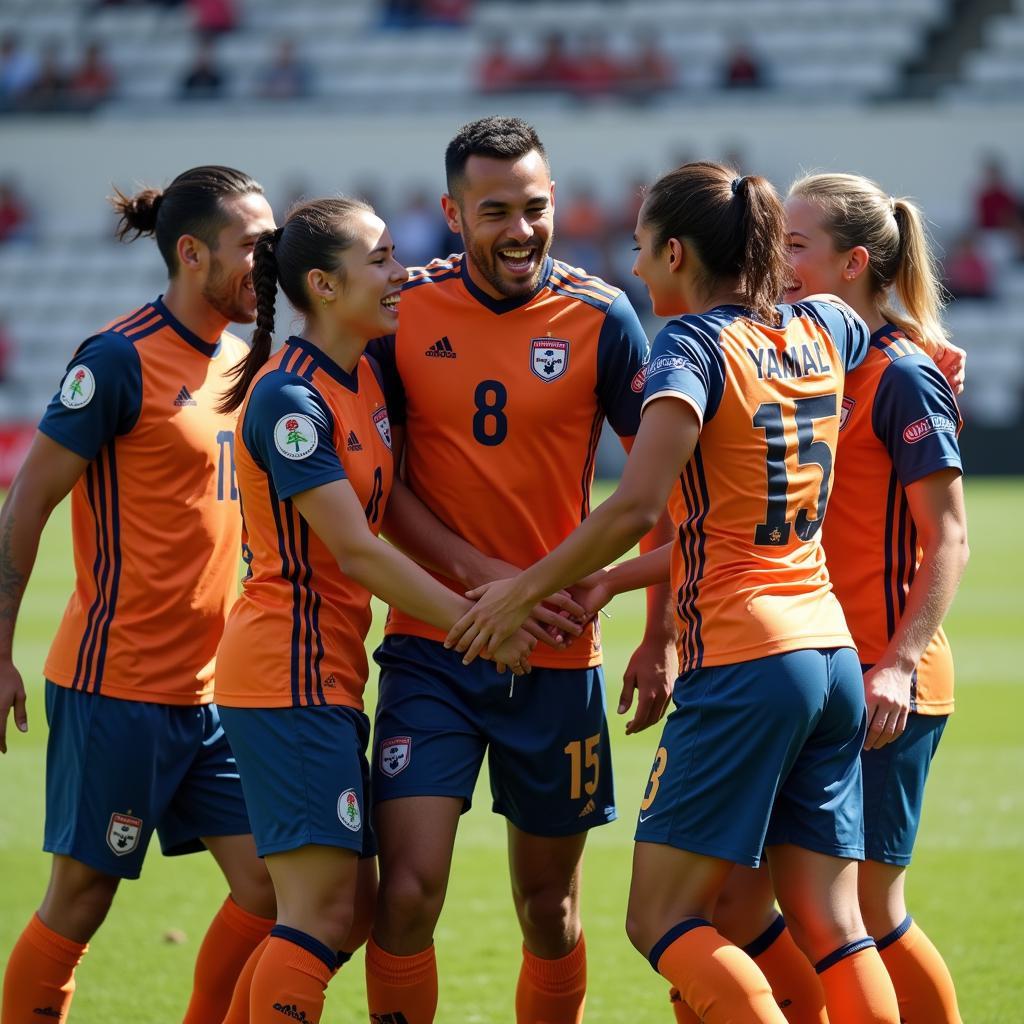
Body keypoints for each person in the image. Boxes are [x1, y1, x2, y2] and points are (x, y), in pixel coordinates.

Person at [446, 161, 907, 1024]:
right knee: (834, 922)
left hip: (744, 659)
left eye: (639, 250)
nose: (634, 270)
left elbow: (638, 505)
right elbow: (876, 326)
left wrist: (525, 591)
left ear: (675, 251)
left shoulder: (690, 347)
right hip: (830, 654)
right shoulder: (827, 324)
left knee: (658, 917)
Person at [364, 115, 674, 1024]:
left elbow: (673, 494)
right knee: (408, 895)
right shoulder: (402, 310)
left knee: (551, 911)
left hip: (556, 658)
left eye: (534, 207)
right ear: (455, 216)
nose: (521, 230)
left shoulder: (603, 315)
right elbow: (378, 486)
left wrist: (655, 640)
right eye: (495, 210)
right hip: (433, 644)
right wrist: (480, 580)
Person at [210, 196, 538, 1024]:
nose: (403, 274)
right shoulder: (291, 399)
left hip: (325, 675)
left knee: (347, 911)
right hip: (284, 677)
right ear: (323, 284)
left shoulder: (358, 376)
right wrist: (480, 626)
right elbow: (357, 550)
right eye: (384, 261)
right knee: (319, 915)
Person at [662, 173, 971, 1024]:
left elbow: (949, 535)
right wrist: (615, 583)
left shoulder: (904, 375)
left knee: (865, 913)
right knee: (735, 905)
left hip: (879, 680)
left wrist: (902, 664)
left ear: (854, 262)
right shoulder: (812, 359)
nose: (778, 259)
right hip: (809, 665)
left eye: (797, 246)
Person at [0, 165, 279, 1024]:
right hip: (115, 688)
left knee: (270, 890)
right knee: (80, 901)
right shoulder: (117, 359)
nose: (268, 266)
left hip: (214, 693)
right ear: (191, 253)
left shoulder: (245, 360)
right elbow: (28, 501)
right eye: (253, 248)